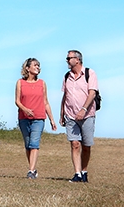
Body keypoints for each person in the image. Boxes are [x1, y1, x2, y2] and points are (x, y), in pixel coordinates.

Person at [60, 49, 98, 183]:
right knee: (75, 144)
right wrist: (62, 113)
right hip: (70, 115)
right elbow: (65, 96)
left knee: (86, 146)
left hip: (87, 115)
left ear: (77, 60)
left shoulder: (89, 73)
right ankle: (77, 174)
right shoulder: (66, 76)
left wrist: (83, 109)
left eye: (69, 58)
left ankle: (84, 171)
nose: (67, 60)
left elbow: (92, 93)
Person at [14, 57, 56, 179]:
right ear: (27, 68)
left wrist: (52, 119)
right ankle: (33, 168)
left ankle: (31, 171)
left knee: (34, 143)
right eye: (35, 65)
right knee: (28, 145)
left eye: (38, 65)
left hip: (39, 118)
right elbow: (17, 101)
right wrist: (25, 109)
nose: (37, 67)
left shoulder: (42, 83)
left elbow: (46, 102)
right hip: (23, 118)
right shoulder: (20, 83)